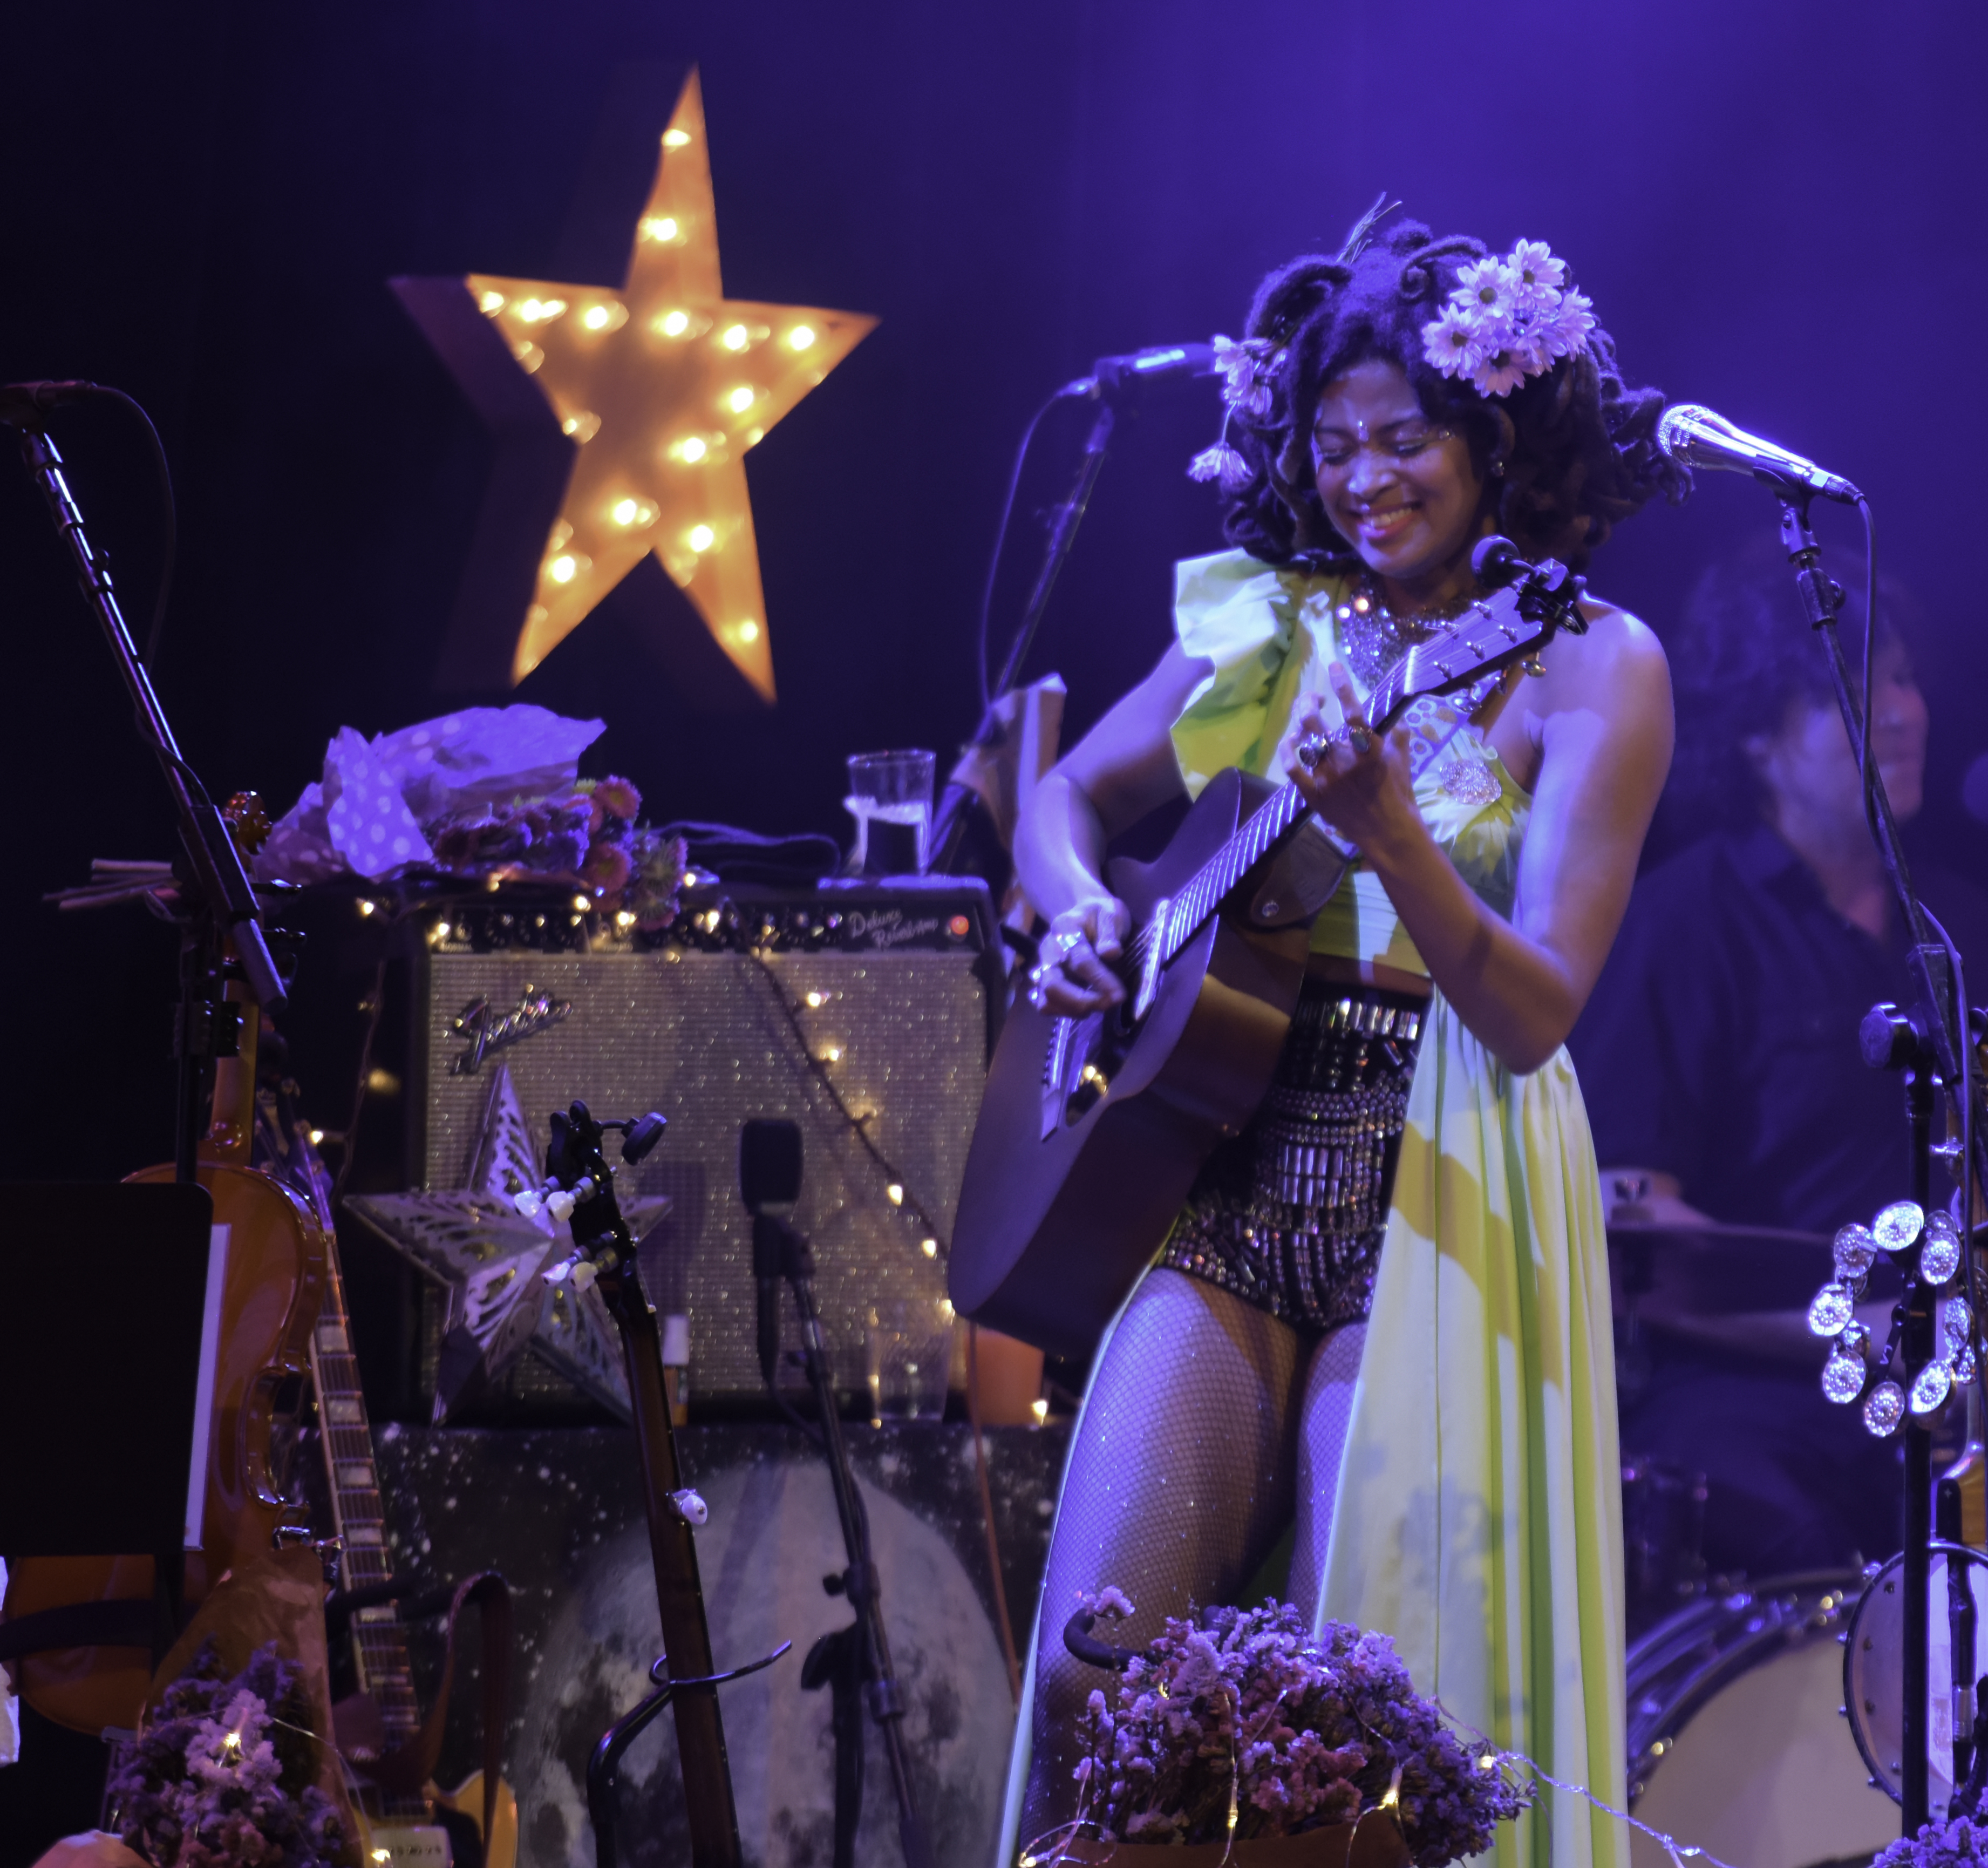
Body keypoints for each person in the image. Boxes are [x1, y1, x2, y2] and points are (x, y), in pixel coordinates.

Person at [1000, 208, 1686, 1868]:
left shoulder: (1596, 666)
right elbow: (1063, 797)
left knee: (1345, 1719)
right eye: (1332, 445)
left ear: (1496, 439)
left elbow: (1531, 1012)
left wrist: (1391, 835)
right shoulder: (1274, 615)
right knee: (1099, 1669)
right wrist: (1082, 906)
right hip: (1228, 1150)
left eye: (1405, 440)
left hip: (1440, 1179)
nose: (1364, 477)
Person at [1569, 550, 1988, 1585]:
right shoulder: (1680, 921)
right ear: (1756, 734)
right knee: (1791, 1538)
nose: (1901, 712)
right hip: (1752, 1396)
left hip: (1951, 1397)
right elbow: (1636, 1237)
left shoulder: (1955, 925)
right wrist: (1872, 1331)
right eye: (1854, 688)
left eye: (1904, 678)